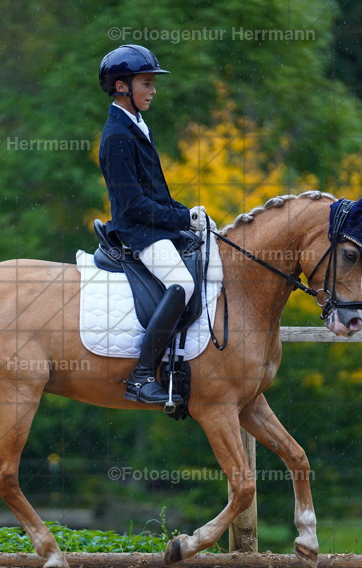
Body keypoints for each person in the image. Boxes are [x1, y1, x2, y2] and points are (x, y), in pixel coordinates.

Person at [98, 44, 216, 406]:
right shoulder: (117, 135)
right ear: (122, 87)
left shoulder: (135, 125)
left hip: (155, 225)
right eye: (146, 84)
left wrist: (189, 214)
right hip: (138, 231)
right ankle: (142, 375)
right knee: (181, 283)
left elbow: (157, 193)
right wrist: (182, 218)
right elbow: (133, 204)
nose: (153, 91)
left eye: (152, 84)